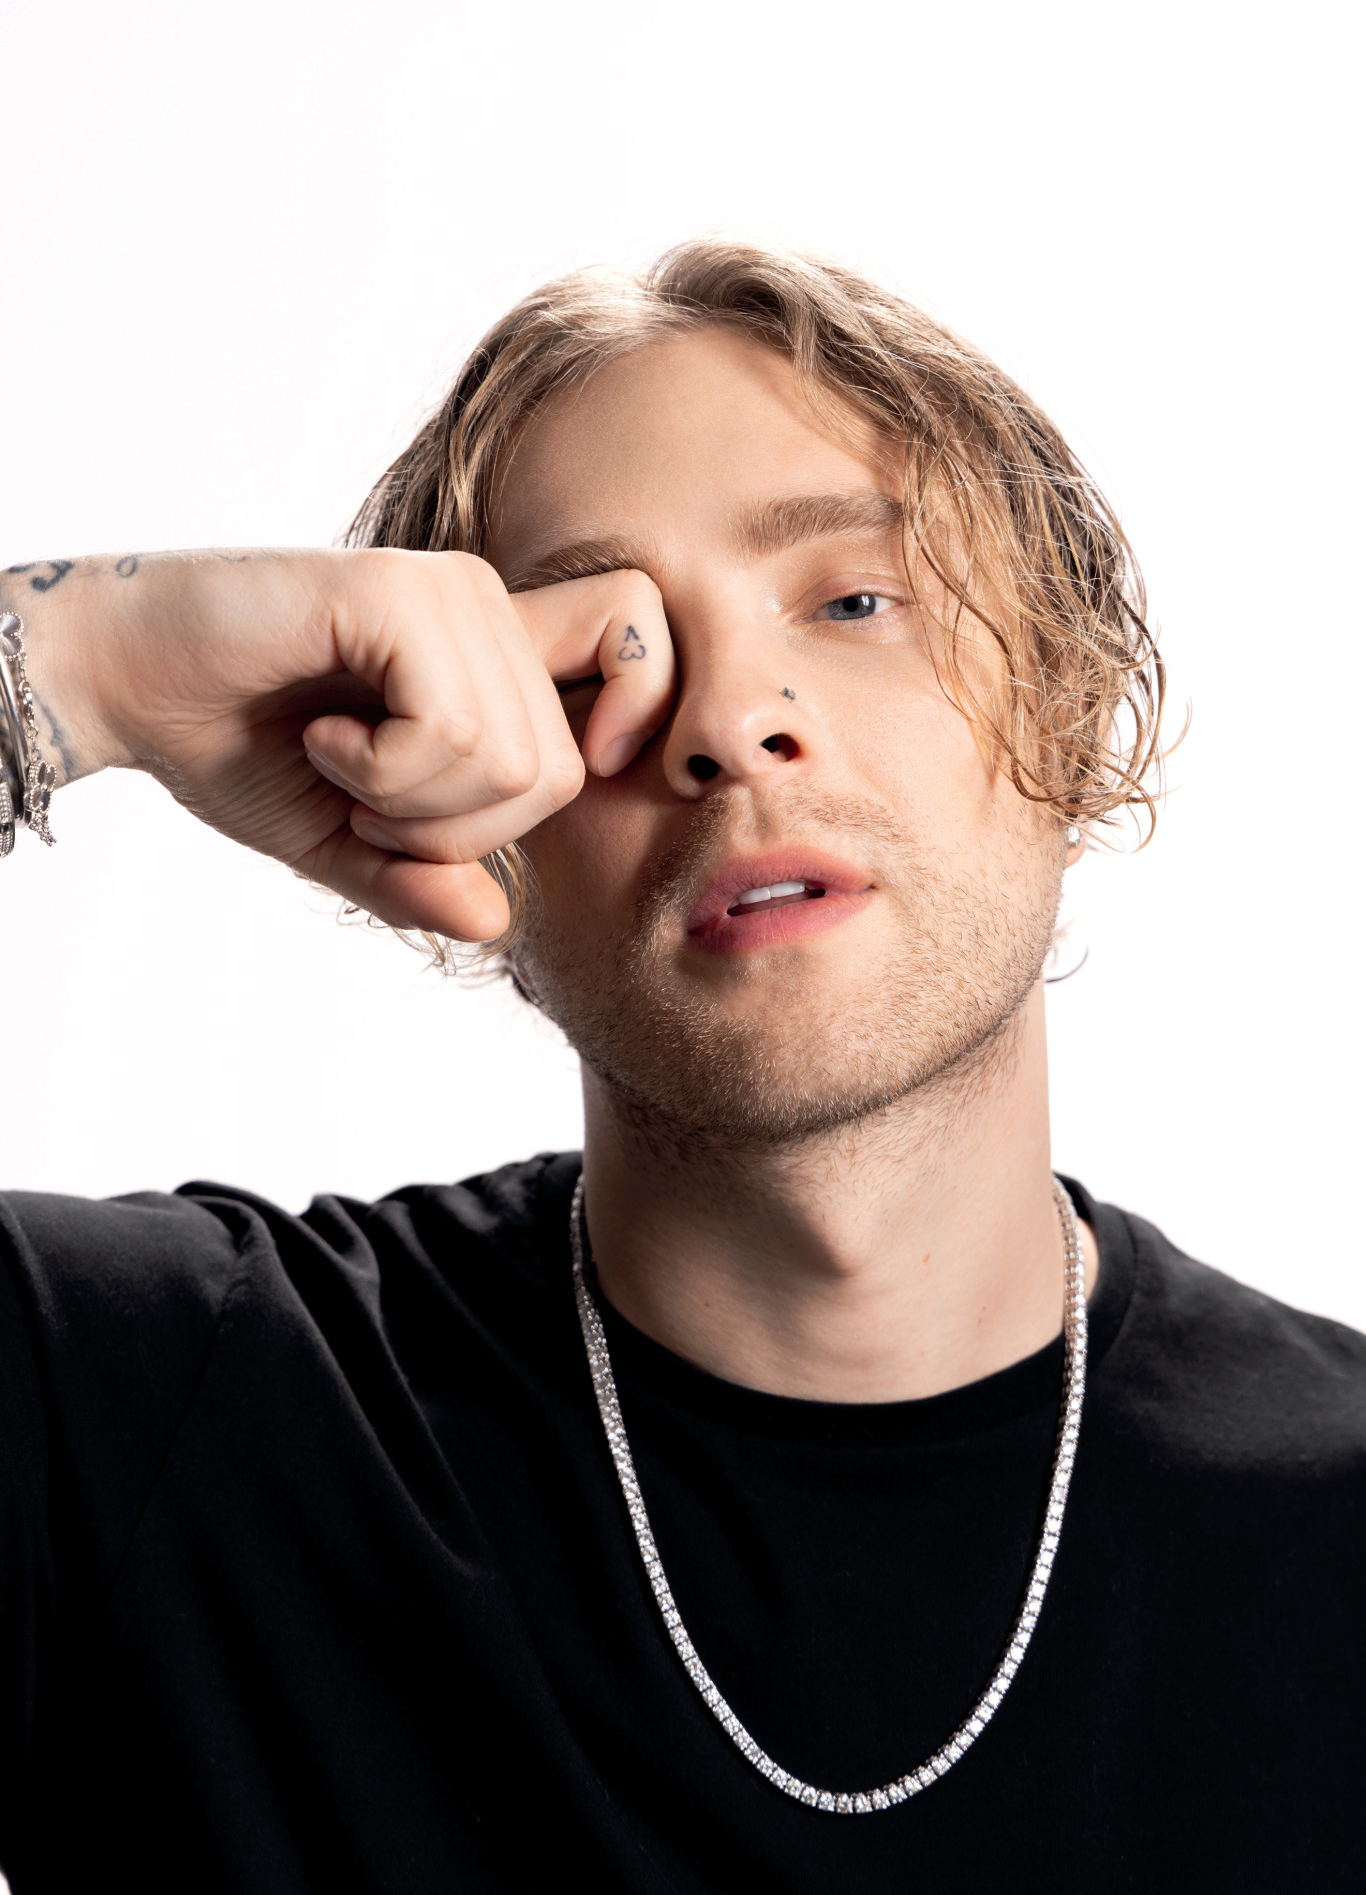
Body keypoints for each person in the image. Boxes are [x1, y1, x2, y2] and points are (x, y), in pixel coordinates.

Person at [0, 241, 1360, 1894]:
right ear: (458, 820)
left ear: (1067, 709)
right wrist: (80, 668)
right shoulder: (156, 1414)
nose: (724, 720)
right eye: (585, 663)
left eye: (852, 601)